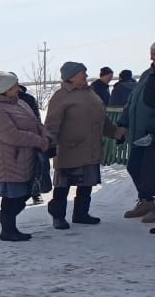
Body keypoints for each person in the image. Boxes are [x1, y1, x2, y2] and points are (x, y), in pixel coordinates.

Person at [45, 62, 123, 229]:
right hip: (69, 148)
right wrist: (50, 142)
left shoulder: (91, 93)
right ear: (71, 77)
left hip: (90, 147)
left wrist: (116, 133)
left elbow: (102, 119)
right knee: (63, 185)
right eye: (83, 73)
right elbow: (52, 123)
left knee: (86, 183)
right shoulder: (61, 96)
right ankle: (58, 216)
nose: (86, 75)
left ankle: (81, 214)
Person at [0, 71, 51, 243]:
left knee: (26, 192)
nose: (18, 88)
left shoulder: (20, 103)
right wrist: (39, 141)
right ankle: (8, 230)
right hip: (10, 159)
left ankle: (5, 218)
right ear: (5, 89)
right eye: (14, 86)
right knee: (13, 195)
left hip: (27, 156)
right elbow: (10, 135)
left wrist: (45, 135)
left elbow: (35, 123)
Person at [118, 48, 155, 221]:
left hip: (152, 132)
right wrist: (123, 122)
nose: (152, 56)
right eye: (152, 52)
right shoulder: (148, 74)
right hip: (139, 134)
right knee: (134, 166)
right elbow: (132, 99)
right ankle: (146, 201)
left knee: (150, 170)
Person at [16, 85, 48, 203]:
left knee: (33, 167)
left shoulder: (28, 99)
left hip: (29, 139)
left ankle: (35, 193)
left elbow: (36, 120)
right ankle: (11, 201)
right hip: (9, 141)